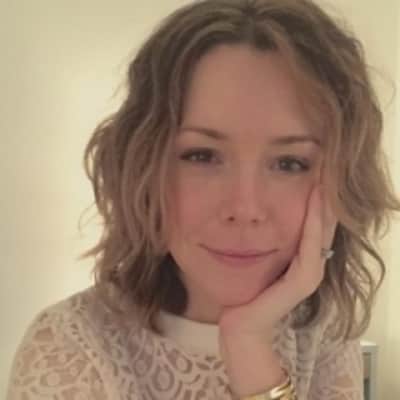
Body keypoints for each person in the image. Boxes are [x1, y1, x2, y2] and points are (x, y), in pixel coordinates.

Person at [6, 0, 400, 399]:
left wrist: (247, 345)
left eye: (289, 163)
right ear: (142, 168)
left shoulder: (325, 332)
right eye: (202, 156)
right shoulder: (71, 349)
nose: (245, 208)